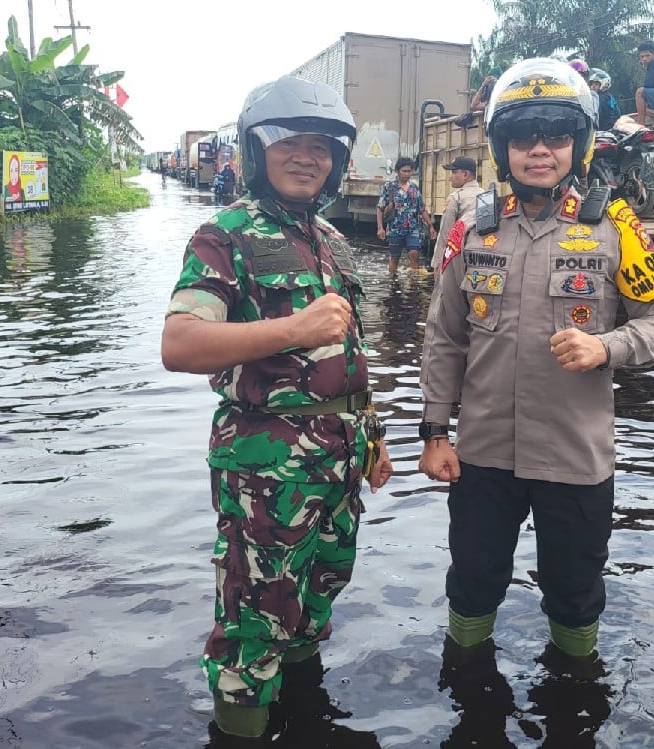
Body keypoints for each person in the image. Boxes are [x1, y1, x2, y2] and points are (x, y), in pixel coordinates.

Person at [418, 58, 654, 665]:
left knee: (574, 592)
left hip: (575, 458)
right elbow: (444, 338)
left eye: (556, 137)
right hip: (483, 454)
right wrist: (434, 432)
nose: (539, 151)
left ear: (578, 145)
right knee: (473, 582)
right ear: (502, 148)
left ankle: (574, 700)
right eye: (522, 138)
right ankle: (467, 693)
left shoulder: (616, 224)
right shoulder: (470, 229)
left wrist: (607, 347)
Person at [161, 74, 394, 740]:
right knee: (253, 623)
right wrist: (291, 330)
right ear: (256, 149)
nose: (306, 156)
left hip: (337, 461)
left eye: (320, 145)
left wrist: (372, 436)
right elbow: (181, 343)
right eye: (289, 141)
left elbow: (346, 350)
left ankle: (301, 721)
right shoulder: (225, 235)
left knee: (318, 595)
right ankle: (241, 728)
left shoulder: (329, 240)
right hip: (267, 471)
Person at [376, 156, 436, 275]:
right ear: (397, 171)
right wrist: (380, 228)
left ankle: (413, 285)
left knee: (414, 254)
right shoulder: (389, 187)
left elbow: (422, 209)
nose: (407, 174)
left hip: (413, 227)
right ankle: (393, 283)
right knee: (395, 257)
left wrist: (430, 226)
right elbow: (380, 208)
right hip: (395, 229)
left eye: (409, 171)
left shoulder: (414, 189)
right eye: (404, 171)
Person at [431, 155, 484, 278]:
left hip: (458, 256)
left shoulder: (456, 198)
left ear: (465, 174)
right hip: (480, 255)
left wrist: (437, 264)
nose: (451, 177)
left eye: (454, 172)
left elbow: (446, 234)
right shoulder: (486, 195)